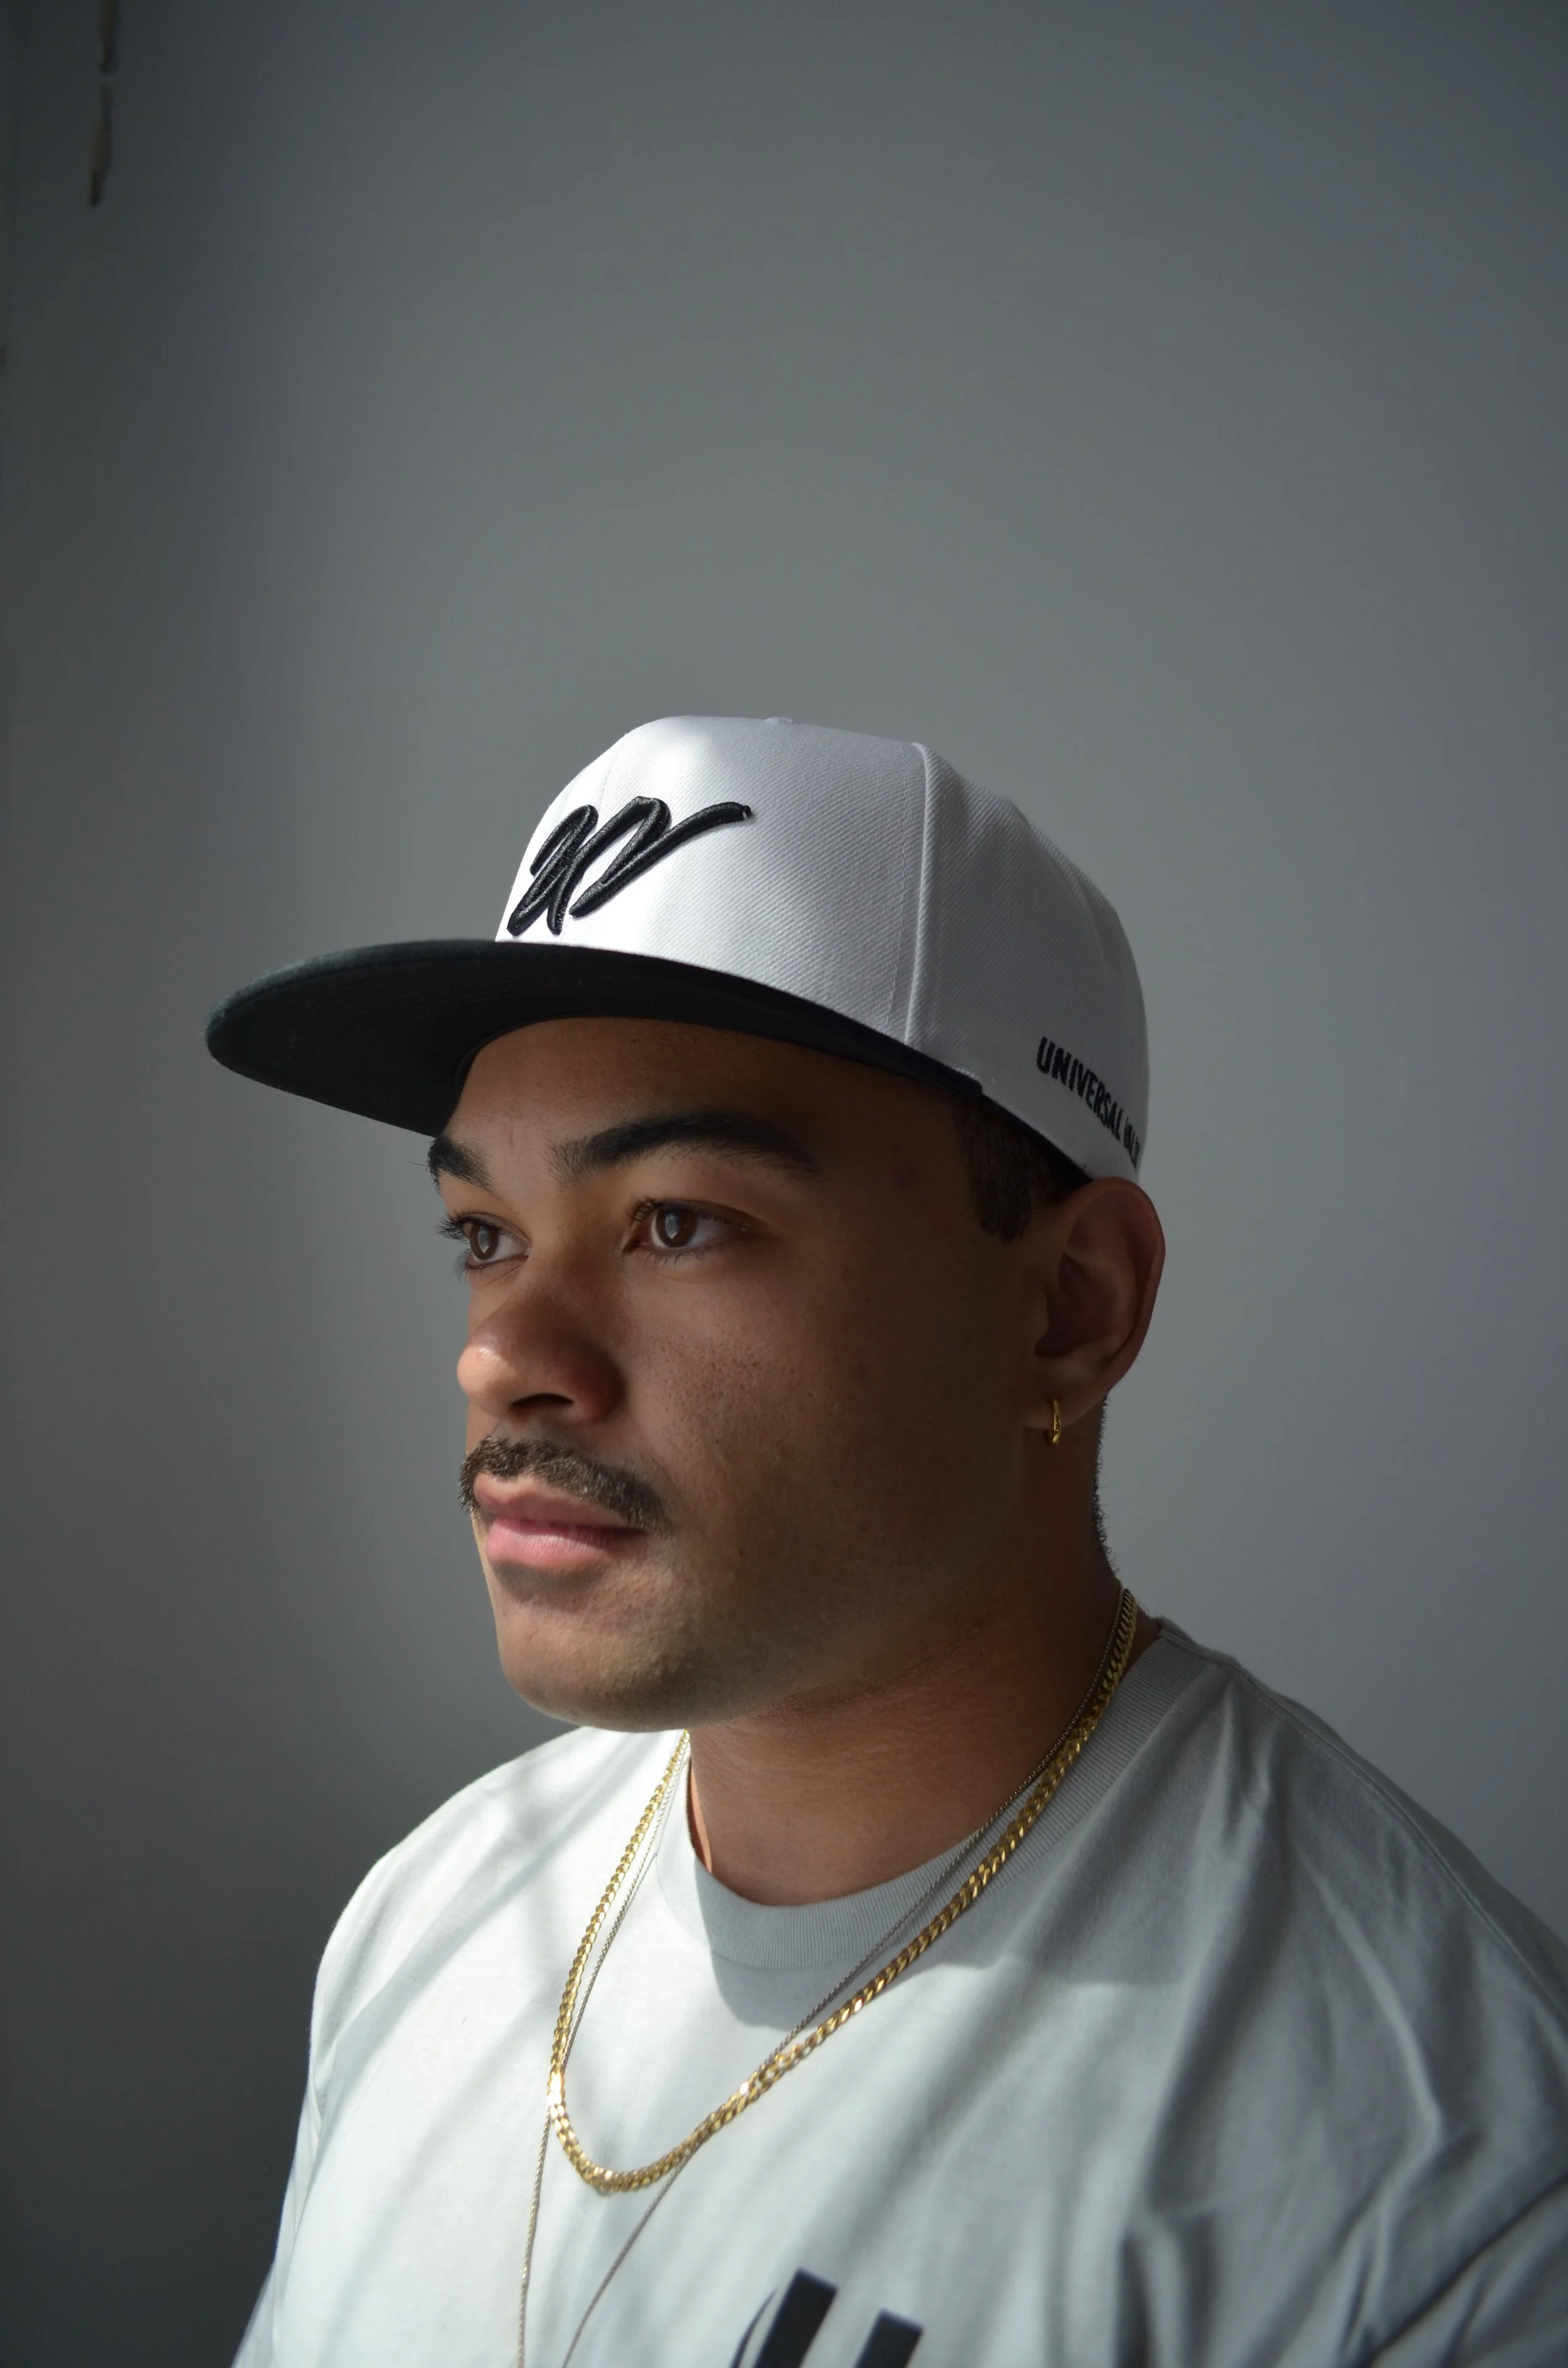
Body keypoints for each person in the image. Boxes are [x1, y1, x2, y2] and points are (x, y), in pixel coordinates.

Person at [208, 716, 1568, 2368]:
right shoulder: (422, 1919)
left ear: (1068, 1307)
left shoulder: (1440, 2160)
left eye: (677, 1222)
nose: (505, 1353)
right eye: (484, 1234)